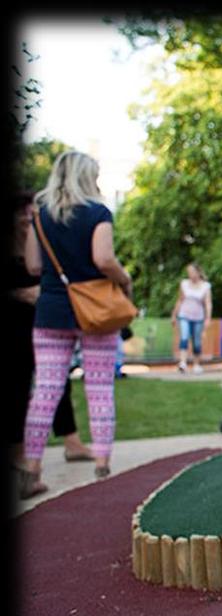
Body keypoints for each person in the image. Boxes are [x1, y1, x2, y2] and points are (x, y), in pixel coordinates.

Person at [17, 151, 133, 493]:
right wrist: (124, 279)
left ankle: (33, 470)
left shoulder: (40, 217)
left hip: (51, 311)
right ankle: (101, 465)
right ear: (87, 177)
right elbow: (104, 259)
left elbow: (34, 266)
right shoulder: (98, 212)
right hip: (97, 312)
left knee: (45, 391)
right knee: (99, 389)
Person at [8, 190, 94, 489]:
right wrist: (22, 294)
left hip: (44, 323)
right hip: (16, 325)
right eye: (25, 211)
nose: (31, 215)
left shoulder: (40, 243)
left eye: (33, 209)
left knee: (58, 383)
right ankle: (21, 457)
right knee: (20, 387)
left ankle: (71, 442)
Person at [171, 262, 212, 374]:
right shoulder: (184, 284)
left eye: (192, 272)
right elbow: (180, 300)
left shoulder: (205, 286)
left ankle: (196, 364)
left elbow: (208, 303)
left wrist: (208, 318)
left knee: (197, 341)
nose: (190, 274)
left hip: (198, 317)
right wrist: (174, 315)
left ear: (198, 272)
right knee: (184, 337)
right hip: (184, 315)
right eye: (189, 272)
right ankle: (183, 363)